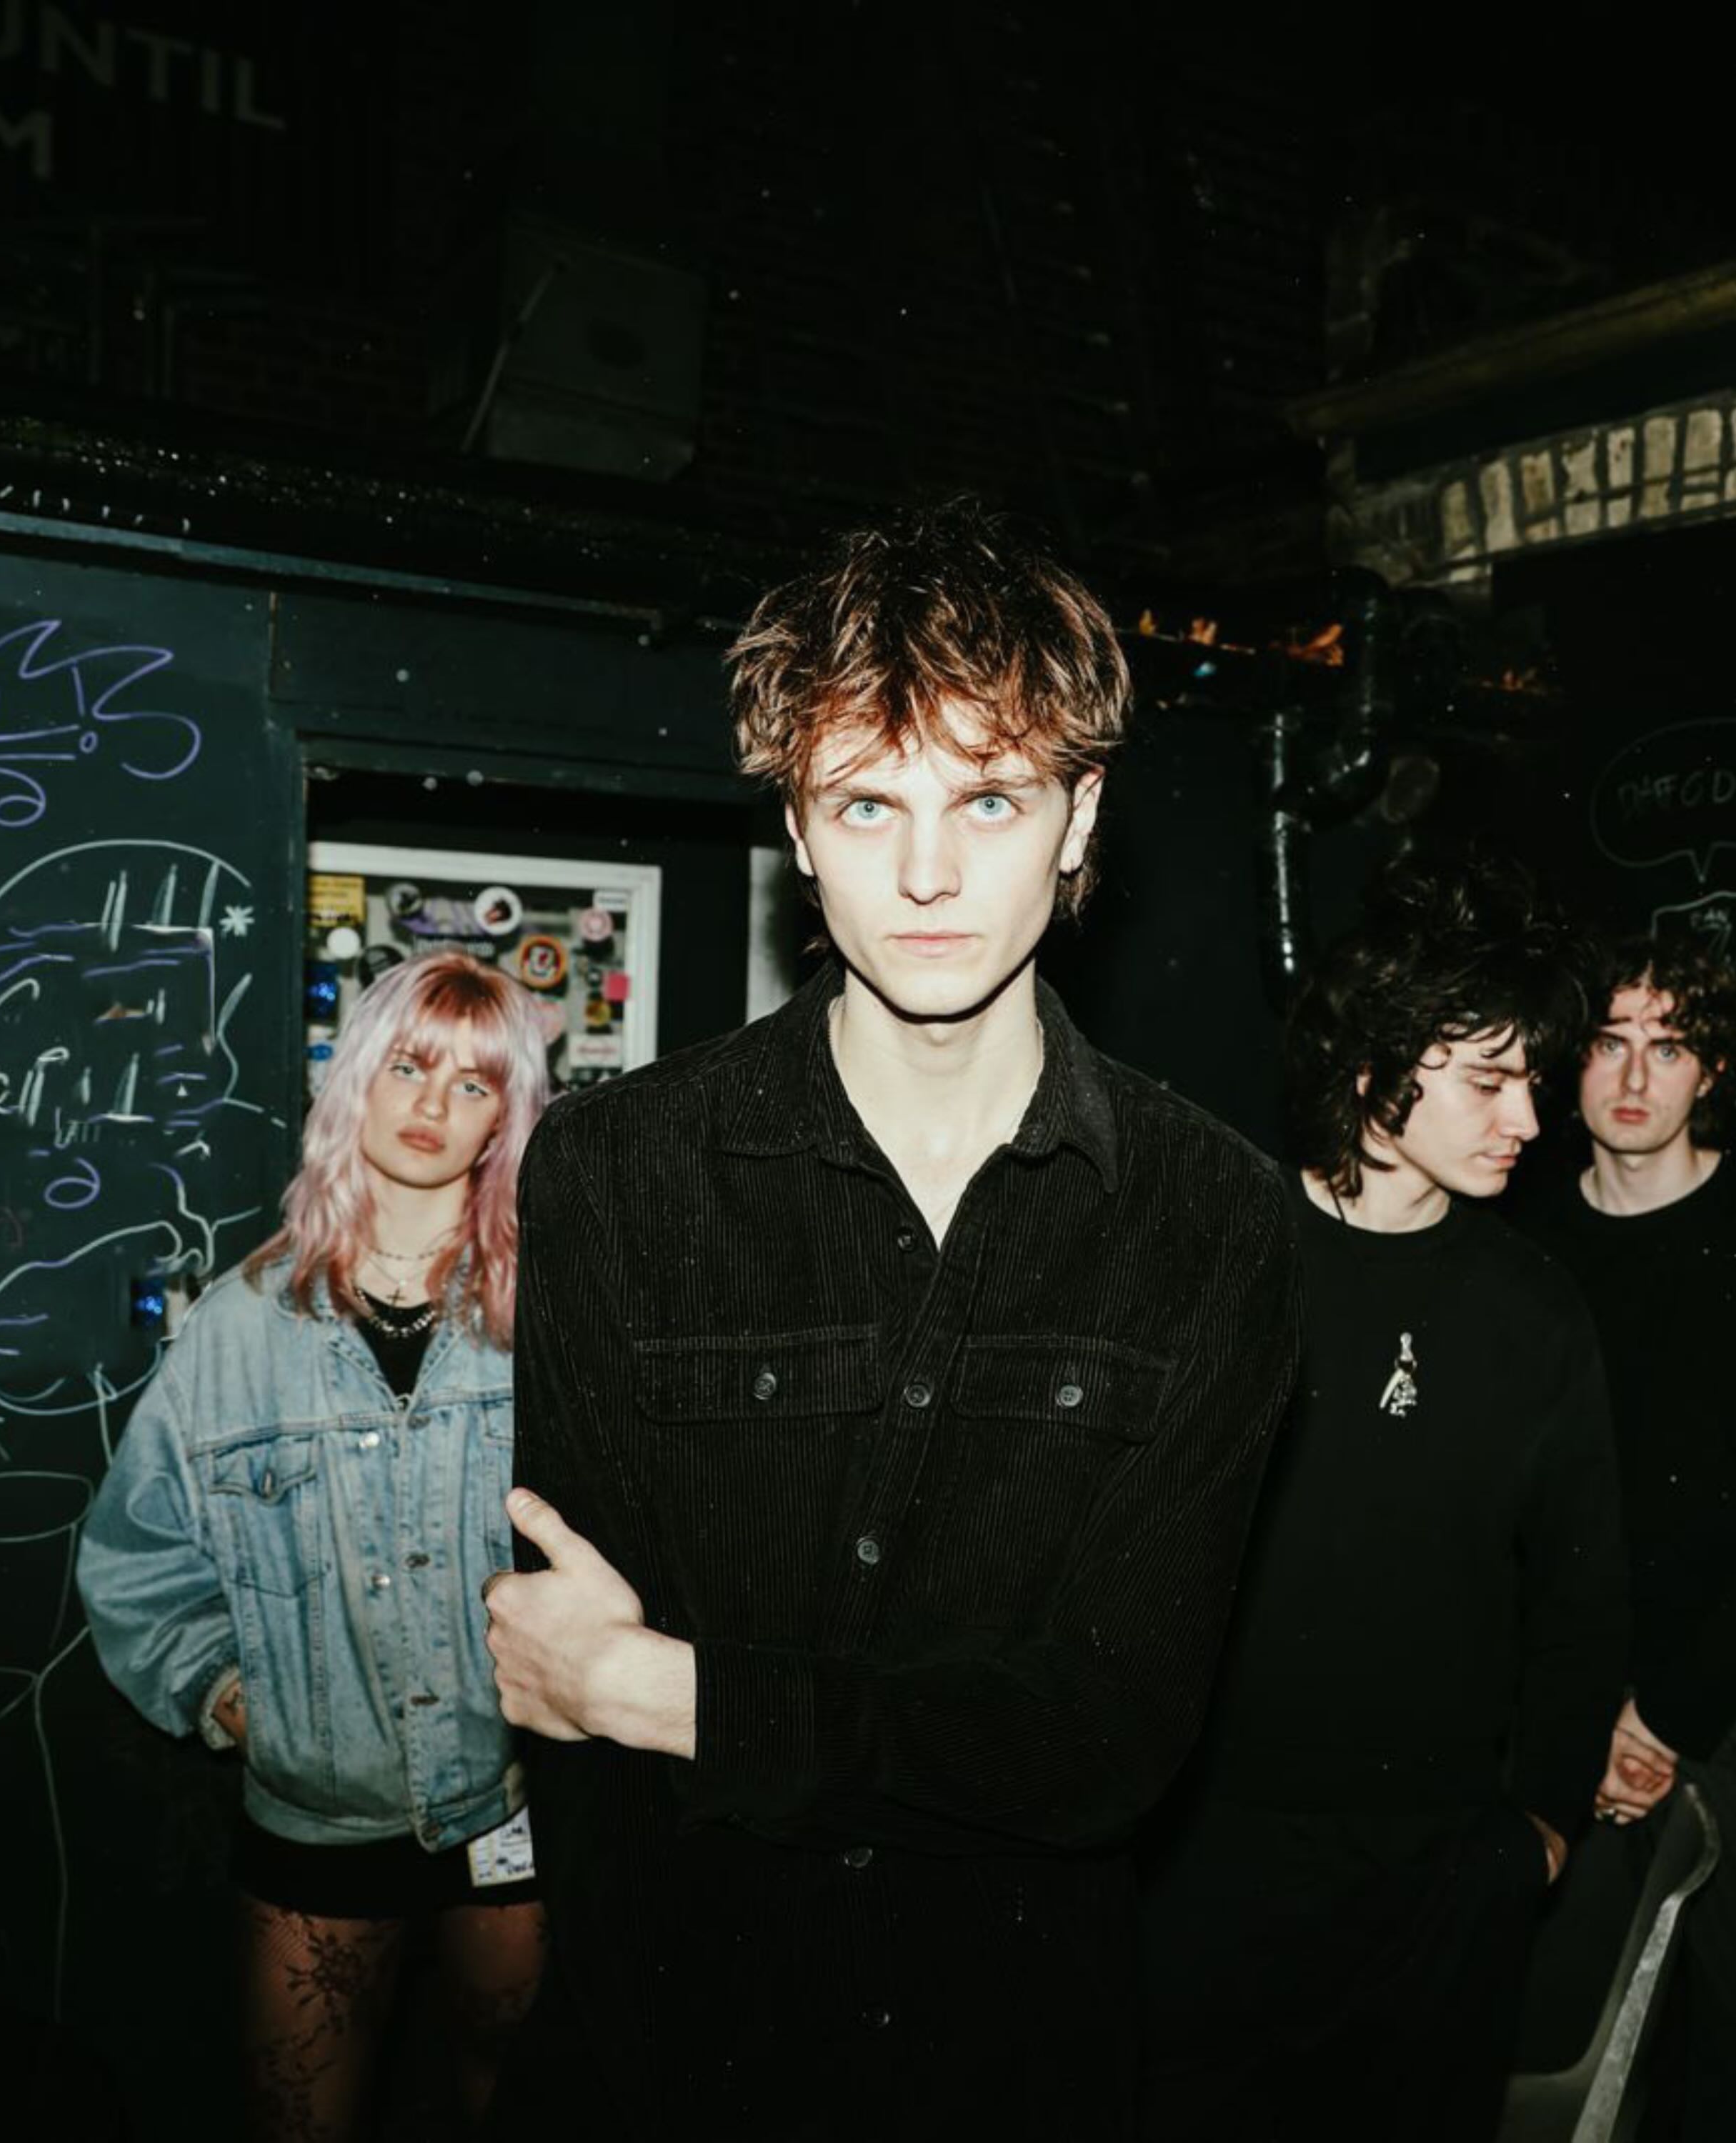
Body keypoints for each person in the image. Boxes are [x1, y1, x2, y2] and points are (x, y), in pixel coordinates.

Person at [477, 499, 1300, 2140]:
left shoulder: (1213, 1217)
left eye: (989, 799)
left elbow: (1107, 1747)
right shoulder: (619, 1171)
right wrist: (643, 1697)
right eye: (868, 803)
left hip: (1013, 2070)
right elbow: (572, 1711)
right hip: (671, 2066)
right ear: (798, 827)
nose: (928, 874)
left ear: (1079, 817)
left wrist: (675, 1694)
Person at [1137, 856, 1629, 2143]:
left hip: (1443, 1874)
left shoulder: (1533, 1311)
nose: (1528, 1120)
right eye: (1488, 1081)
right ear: (1371, 1068)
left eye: (1534, 1082)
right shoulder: (1222, 1256)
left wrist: (1540, 1831)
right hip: (1212, 1866)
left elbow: (1585, 1594)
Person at [79, 951, 552, 2141]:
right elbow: (138, 1558)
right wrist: (237, 1703)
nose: (434, 1105)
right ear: (356, 1080)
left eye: (474, 1084)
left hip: (511, 1806)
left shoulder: (552, 1317)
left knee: (519, 2103)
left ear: (506, 1119)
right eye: (409, 1067)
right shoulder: (240, 1327)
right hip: (315, 1823)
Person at [1510, 929, 1736, 2143]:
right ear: (1567, 1060)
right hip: (1564, 1698)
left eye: (1668, 1048)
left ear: (1712, 1069)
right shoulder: (1522, 1240)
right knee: (1558, 2057)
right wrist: (1581, 1708)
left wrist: (1669, 1713)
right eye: (1609, 1043)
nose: (1634, 1077)